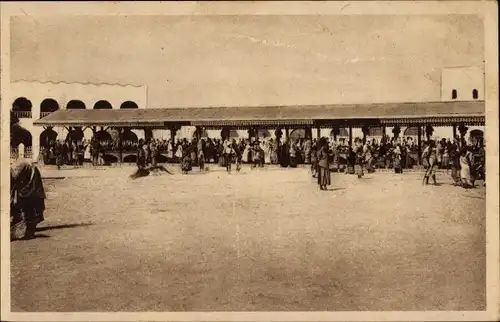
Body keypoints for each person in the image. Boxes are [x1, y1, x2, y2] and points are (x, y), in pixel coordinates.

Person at [11, 160, 46, 240]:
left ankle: (29, 232)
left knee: (32, 206)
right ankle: (26, 229)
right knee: (23, 205)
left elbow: (11, 194)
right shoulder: (12, 174)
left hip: (31, 177)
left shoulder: (13, 174)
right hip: (24, 178)